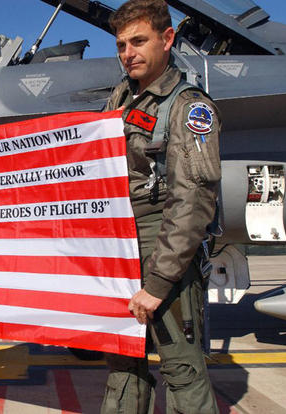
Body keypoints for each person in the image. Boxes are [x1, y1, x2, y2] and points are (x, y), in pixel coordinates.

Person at [100, 1, 221, 413]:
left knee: (182, 371)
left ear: (167, 40)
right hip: (120, 247)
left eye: (138, 41)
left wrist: (158, 284)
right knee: (123, 366)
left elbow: (193, 200)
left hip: (162, 243)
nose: (127, 53)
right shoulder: (120, 99)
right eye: (120, 45)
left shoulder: (187, 107)